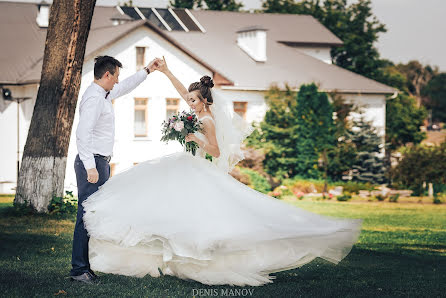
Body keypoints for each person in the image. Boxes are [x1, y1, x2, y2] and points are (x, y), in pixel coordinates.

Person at [80, 57, 363, 286]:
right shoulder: (195, 110)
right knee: (172, 211)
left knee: (200, 216)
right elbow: (183, 93)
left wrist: (194, 138)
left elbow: (214, 151)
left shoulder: (207, 120)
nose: (187, 102)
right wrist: (165, 72)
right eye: (188, 100)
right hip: (184, 165)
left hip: (198, 168)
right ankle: (174, 259)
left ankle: (199, 259)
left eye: (192, 100)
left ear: (203, 101)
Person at [70, 55, 161, 284]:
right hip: (92, 163)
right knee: (86, 216)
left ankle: (84, 267)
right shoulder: (93, 98)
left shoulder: (104, 94)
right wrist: (91, 167)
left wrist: (147, 70)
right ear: (107, 74)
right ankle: (79, 269)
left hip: (100, 162)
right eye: (116, 76)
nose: (118, 81)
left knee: (92, 215)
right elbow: (82, 134)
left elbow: (126, 86)